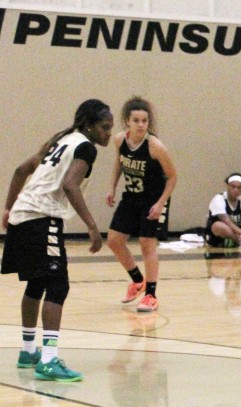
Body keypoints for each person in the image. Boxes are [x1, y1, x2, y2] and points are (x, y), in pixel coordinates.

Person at [1, 99, 114, 382]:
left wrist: (7, 208)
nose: (109, 133)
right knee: (57, 284)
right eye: (104, 127)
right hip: (41, 217)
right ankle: (49, 360)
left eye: (111, 128)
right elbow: (69, 184)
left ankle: (28, 351)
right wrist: (92, 225)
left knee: (37, 282)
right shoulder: (85, 147)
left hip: (22, 215)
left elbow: (20, 170)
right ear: (89, 125)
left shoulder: (61, 139)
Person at [105, 96, 177, 313]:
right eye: (136, 120)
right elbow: (119, 162)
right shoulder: (120, 140)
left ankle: (151, 295)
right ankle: (137, 281)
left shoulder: (155, 146)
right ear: (127, 121)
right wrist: (112, 187)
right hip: (131, 196)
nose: (140, 124)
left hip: (152, 199)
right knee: (114, 241)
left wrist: (160, 204)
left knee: (147, 244)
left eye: (144, 121)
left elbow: (173, 177)